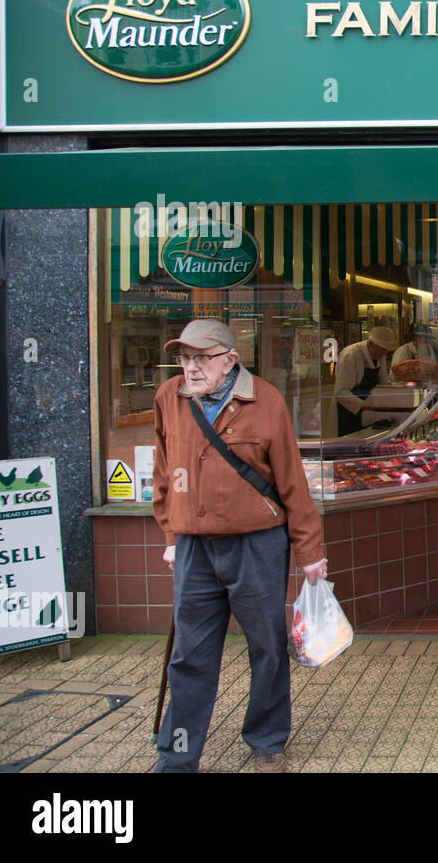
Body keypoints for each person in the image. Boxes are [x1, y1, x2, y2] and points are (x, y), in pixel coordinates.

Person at [152, 319, 327, 773]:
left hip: (257, 545)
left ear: (230, 359)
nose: (190, 368)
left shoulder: (264, 400)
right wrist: (172, 534)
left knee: (266, 647)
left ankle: (267, 740)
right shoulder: (169, 398)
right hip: (194, 546)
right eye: (183, 358)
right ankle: (178, 755)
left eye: (201, 358)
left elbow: (292, 482)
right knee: (189, 656)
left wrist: (310, 553)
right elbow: (163, 472)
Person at [334, 326, 397, 434]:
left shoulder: (379, 356)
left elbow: (383, 384)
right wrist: (364, 406)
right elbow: (341, 393)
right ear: (371, 343)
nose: (384, 353)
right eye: (382, 348)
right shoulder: (350, 356)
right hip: (349, 413)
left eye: (386, 350)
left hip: (369, 412)